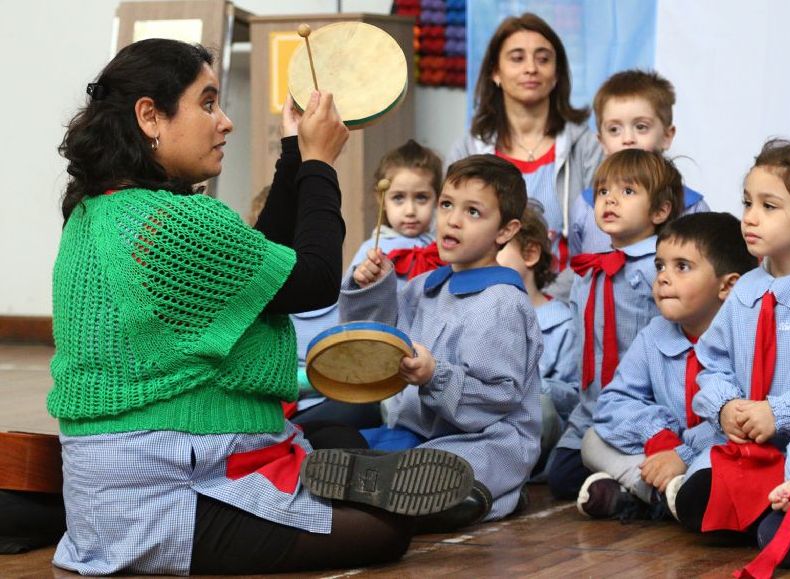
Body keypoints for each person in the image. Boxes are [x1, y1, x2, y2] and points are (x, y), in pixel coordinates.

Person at [47, 38, 475, 575]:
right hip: (162, 494)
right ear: (149, 116)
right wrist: (321, 163)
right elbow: (315, 280)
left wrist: (295, 151)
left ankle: (324, 482)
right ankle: (339, 491)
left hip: (124, 483)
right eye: (207, 103)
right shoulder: (165, 224)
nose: (224, 121)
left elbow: (261, 278)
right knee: (383, 533)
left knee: (343, 449)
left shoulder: (104, 213)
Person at [339, 154, 543, 525]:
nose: (452, 219)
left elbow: (498, 398)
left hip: (486, 443)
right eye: (448, 204)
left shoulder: (501, 303)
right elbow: (373, 348)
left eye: (473, 212)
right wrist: (373, 287)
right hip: (416, 435)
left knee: (446, 476)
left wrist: (435, 375)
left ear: (506, 231)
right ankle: (383, 483)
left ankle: (486, 494)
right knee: (327, 437)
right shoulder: (423, 287)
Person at [578, 212, 756, 521]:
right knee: (592, 440)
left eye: (682, 267)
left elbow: (741, 426)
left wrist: (683, 454)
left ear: (728, 286)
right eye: (660, 265)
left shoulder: (746, 340)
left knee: (738, 465)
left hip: (714, 454)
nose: (662, 277)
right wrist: (658, 436)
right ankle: (664, 493)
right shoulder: (653, 335)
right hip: (663, 451)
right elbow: (613, 403)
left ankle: (641, 495)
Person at [674, 141, 790, 549]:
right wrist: (728, 407)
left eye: (769, 206)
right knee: (696, 503)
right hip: (751, 448)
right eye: (747, 203)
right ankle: (767, 511)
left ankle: (781, 509)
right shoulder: (745, 289)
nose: (750, 217)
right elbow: (712, 363)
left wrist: (777, 412)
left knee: (779, 536)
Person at [548, 148, 684, 500]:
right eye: (603, 191)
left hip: (642, 405)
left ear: (659, 211)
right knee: (560, 475)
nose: (610, 200)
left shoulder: (660, 270)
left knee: (612, 460)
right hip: (591, 408)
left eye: (627, 192)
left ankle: (646, 489)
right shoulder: (589, 270)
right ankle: (622, 492)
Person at [447, 12, 602, 296]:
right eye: (517, 58)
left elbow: (600, 242)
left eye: (543, 59)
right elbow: (453, 239)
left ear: (556, 75)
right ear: (495, 72)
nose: (531, 68)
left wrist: (547, 302)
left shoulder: (587, 147)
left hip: (567, 304)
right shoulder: (467, 150)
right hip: (483, 301)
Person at [291, 139, 444, 426]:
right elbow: (349, 316)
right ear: (381, 198)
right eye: (399, 198)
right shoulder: (372, 251)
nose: (410, 210)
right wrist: (362, 282)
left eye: (421, 198)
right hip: (383, 363)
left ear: (437, 198)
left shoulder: (442, 250)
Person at [569, 70, 710, 256]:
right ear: (601, 142)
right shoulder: (586, 206)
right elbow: (578, 269)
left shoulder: (693, 208)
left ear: (667, 136)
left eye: (641, 127)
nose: (628, 139)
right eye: (614, 129)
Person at [497, 206, 578, 474]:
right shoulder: (476, 316)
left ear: (530, 254)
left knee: (539, 407)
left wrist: (531, 388)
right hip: (486, 422)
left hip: (534, 432)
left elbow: (574, 397)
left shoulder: (563, 324)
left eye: (496, 248)